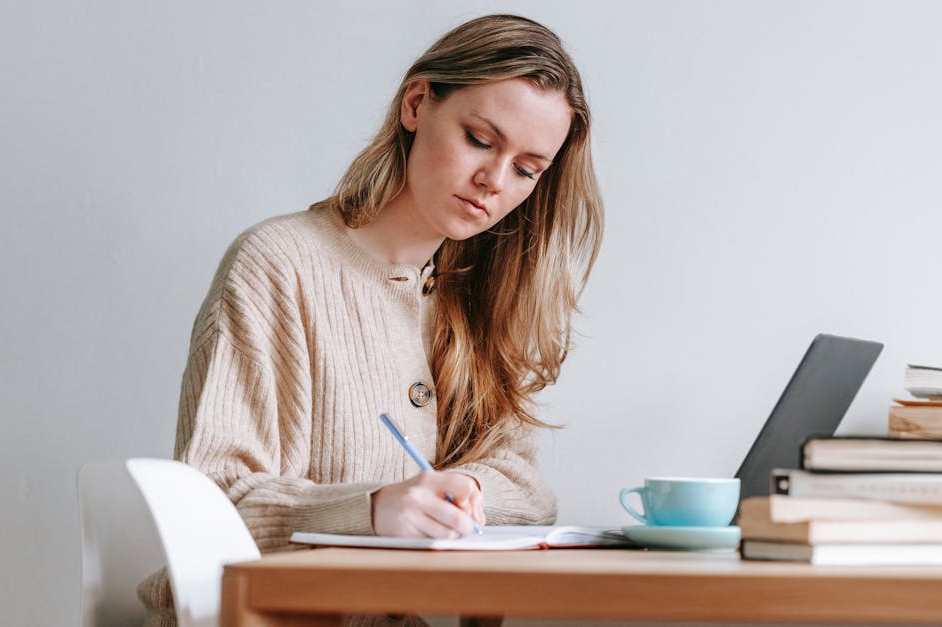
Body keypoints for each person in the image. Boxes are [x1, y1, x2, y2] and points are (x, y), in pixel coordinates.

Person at [138, 13, 602, 626]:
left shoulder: (479, 298)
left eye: (526, 169)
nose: (493, 181)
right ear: (417, 104)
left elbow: (527, 490)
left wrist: (467, 496)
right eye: (480, 140)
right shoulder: (279, 265)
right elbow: (210, 503)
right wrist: (376, 510)